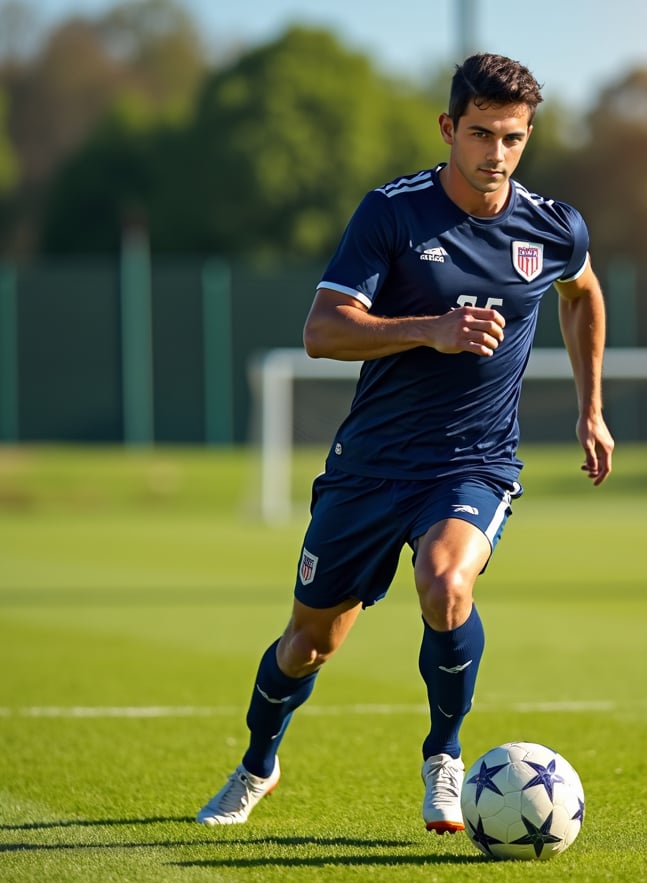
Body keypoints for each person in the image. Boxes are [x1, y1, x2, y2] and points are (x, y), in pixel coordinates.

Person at [197, 52, 614, 833]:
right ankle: (257, 765)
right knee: (306, 646)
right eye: (482, 134)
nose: (496, 154)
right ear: (449, 129)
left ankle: (445, 759)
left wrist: (591, 408)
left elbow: (582, 293)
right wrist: (433, 328)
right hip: (371, 468)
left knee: (447, 581)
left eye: (514, 138)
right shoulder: (392, 213)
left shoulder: (552, 227)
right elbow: (321, 331)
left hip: (473, 462)